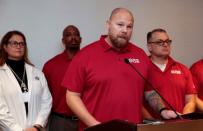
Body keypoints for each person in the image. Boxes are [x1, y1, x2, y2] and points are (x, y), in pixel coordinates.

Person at [61, 8, 177, 130]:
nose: (124, 30)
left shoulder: (140, 55)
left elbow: (149, 91)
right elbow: (72, 97)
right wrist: (96, 126)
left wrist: (163, 110)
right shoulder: (85, 55)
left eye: (129, 26)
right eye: (120, 25)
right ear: (108, 24)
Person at [0, 30, 52, 131]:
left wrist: (37, 125)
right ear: (5, 47)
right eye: (14, 43)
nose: (18, 46)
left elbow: (47, 101)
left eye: (22, 43)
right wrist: (18, 129)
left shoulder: (37, 73)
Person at [143, 28, 196, 119]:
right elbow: (137, 102)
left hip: (181, 125)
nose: (165, 44)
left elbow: (191, 101)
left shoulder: (182, 69)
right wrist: (152, 124)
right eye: (160, 42)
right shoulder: (141, 69)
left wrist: (183, 118)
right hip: (152, 126)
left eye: (167, 41)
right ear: (149, 47)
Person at [43, 25, 81, 131]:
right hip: (60, 121)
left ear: (80, 39)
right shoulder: (50, 65)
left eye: (76, 34)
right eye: (68, 35)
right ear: (63, 40)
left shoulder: (91, 62)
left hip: (86, 120)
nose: (73, 37)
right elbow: (44, 97)